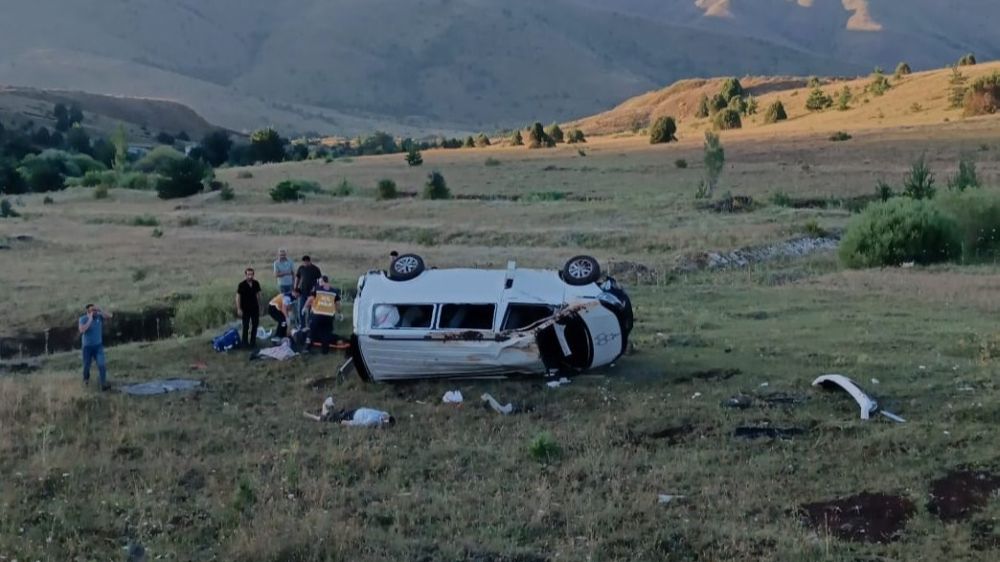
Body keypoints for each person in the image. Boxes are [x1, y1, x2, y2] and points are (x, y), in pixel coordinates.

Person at [305, 275, 343, 354]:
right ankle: (325, 351)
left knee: (312, 331)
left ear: (322, 282)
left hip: (317, 314)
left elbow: (310, 299)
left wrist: (305, 307)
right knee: (326, 333)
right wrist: (339, 313)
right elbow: (338, 304)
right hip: (329, 315)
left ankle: (307, 348)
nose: (319, 283)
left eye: (319, 282)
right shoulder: (334, 291)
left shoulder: (317, 289)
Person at [78, 303, 113, 390]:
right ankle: (86, 380)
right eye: (92, 310)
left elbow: (110, 316)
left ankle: (103, 384)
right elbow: (82, 330)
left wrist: (100, 309)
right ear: (88, 311)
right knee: (87, 365)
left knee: (102, 364)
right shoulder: (83, 319)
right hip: (87, 347)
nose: (95, 312)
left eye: (95, 310)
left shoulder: (99, 317)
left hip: (98, 346)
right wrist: (90, 319)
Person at [235, 267, 262, 348]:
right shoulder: (241, 285)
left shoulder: (256, 283)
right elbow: (238, 297)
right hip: (245, 308)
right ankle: (244, 343)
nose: (250, 276)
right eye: (248, 274)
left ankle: (253, 343)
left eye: (251, 274)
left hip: (255, 308)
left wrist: (260, 306)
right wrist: (239, 308)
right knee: (245, 325)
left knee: (255, 325)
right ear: (245, 275)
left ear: (253, 275)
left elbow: (258, 295)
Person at [295, 255, 322, 328]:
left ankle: (310, 325)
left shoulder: (315, 269)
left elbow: (319, 280)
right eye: (304, 262)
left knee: (311, 310)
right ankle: (302, 325)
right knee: (301, 308)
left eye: (306, 262)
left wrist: (316, 288)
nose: (305, 263)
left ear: (309, 261)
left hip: (312, 293)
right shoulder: (301, 268)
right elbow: (297, 278)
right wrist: (296, 287)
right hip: (303, 291)